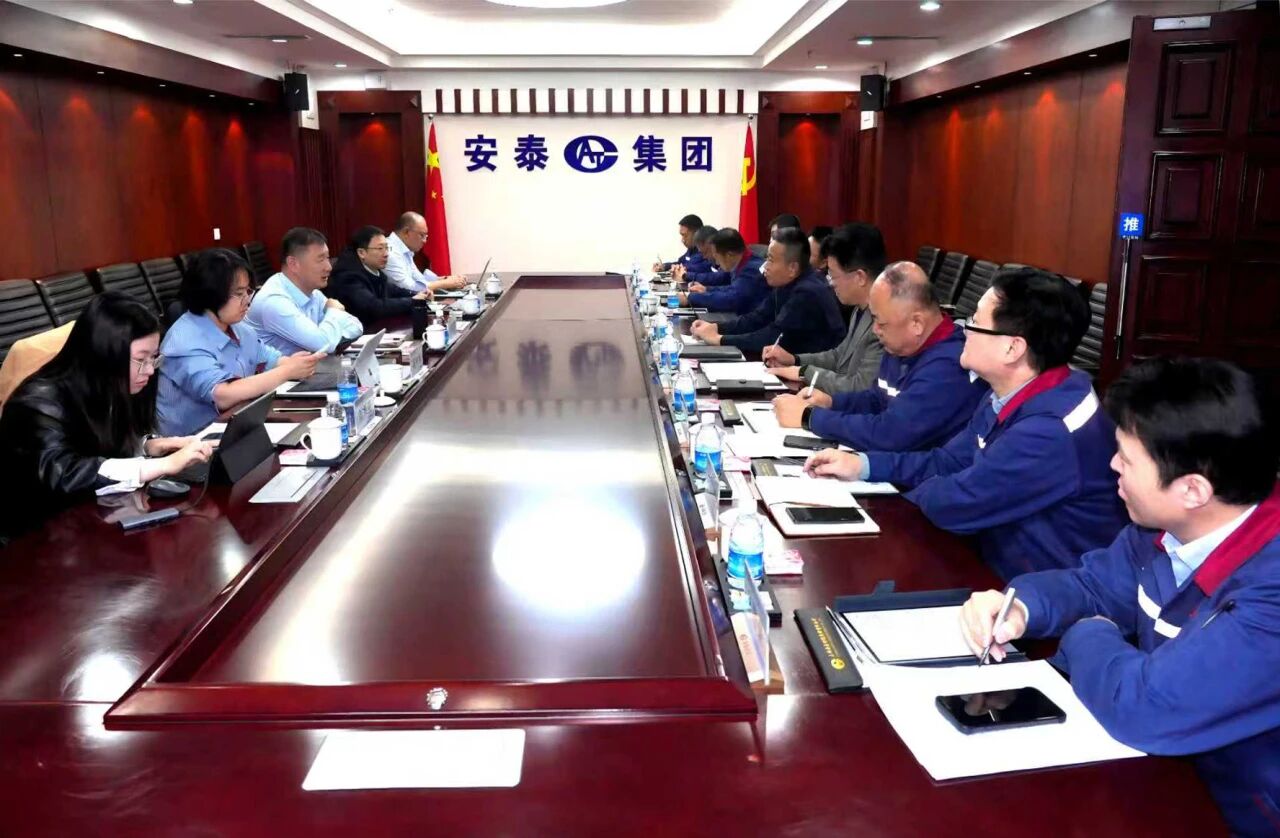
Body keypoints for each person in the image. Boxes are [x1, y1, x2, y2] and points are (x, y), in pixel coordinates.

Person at [960, 357, 1280, 836]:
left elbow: (1146, 707)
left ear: (1193, 490)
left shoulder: (1270, 592)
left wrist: (1087, 633)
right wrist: (1021, 606)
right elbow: (1093, 585)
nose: (1112, 466)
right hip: (1167, 776)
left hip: (1240, 812)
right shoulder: (1164, 527)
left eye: (1127, 459)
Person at [806, 268, 1127, 578]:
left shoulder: (1049, 431)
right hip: (990, 559)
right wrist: (863, 465)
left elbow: (955, 503)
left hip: (1030, 593)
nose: (963, 329)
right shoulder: (1006, 393)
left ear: (1012, 348)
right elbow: (946, 461)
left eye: (975, 321)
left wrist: (916, 490)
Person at [0, 293, 213, 540]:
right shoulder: (35, 405)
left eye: (153, 358)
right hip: (35, 538)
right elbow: (65, 475)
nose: (149, 370)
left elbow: (97, 445)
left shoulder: (108, 384)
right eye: (141, 359)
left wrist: (146, 446)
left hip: (93, 520)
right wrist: (161, 465)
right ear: (103, 354)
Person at [773, 261, 988, 451]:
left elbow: (890, 434)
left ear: (917, 323)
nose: (875, 330)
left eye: (881, 322)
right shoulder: (902, 344)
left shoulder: (948, 367)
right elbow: (877, 399)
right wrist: (831, 402)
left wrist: (810, 418)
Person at [158, 249, 322, 437]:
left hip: (237, 427)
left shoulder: (239, 327)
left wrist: (296, 364)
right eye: (239, 293)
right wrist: (288, 371)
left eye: (248, 291)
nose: (247, 301)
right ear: (211, 294)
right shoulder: (183, 341)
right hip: (191, 441)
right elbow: (223, 395)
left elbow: (270, 359)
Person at [763, 222, 885, 395]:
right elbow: (838, 356)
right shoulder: (859, 308)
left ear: (860, 277)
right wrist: (794, 359)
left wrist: (804, 372)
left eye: (833, 275)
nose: (830, 283)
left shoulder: (883, 324)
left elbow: (860, 387)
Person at [689, 226, 845, 355]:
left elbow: (772, 336)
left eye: (770, 259)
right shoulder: (786, 282)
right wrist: (716, 327)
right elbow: (757, 318)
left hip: (813, 373)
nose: (765, 267)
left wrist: (720, 339)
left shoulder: (807, 292)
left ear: (792, 268)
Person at [245, 227, 363, 355]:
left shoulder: (312, 292)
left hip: (310, 366)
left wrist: (329, 336)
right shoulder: (273, 301)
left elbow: (356, 326)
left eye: (328, 258)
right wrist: (334, 311)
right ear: (293, 264)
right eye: (320, 259)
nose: (329, 267)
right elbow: (323, 345)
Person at [327, 225, 430, 326]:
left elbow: (392, 290)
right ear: (361, 252)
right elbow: (374, 307)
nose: (386, 254)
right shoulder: (348, 276)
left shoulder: (372, 267)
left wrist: (417, 294)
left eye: (387, 248)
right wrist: (413, 301)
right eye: (380, 248)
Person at [677, 228, 766, 315]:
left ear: (729, 255)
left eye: (716, 256)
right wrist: (706, 289)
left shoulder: (751, 269)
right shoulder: (742, 262)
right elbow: (732, 288)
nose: (716, 262)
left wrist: (690, 298)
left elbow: (731, 299)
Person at [384, 211, 467, 295]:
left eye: (426, 236)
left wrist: (446, 280)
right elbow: (408, 287)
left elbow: (419, 279)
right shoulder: (389, 251)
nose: (424, 241)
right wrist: (444, 284)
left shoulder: (404, 250)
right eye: (422, 235)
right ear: (406, 232)